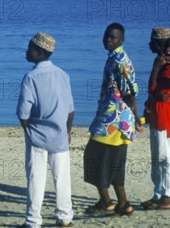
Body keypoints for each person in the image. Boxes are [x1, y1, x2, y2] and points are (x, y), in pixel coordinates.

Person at [16, 32, 75, 228]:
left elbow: (23, 113)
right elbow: (70, 109)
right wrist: (67, 131)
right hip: (60, 136)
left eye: (30, 48)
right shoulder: (63, 75)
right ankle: (65, 217)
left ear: (39, 52)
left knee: (36, 180)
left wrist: (28, 131)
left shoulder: (31, 77)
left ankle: (33, 221)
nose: (26, 52)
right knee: (62, 179)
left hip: (38, 137)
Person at [84, 23, 140, 217]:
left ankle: (108, 201)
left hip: (113, 121)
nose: (108, 40)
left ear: (121, 40)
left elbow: (130, 93)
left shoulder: (119, 60)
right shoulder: (115, 58)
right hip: (115, 119)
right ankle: (121, 203)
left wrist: (133, 117)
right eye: (107, 36)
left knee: (93, 156)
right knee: (115, 162)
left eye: (113, 37)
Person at [142, 36, 170, 210]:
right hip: (162, 119)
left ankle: (166, 197)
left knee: (166, 159)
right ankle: (168, 195)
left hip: (166, 121)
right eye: (167, 47)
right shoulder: (168, 67)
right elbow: (155, 92)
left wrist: (156, 67)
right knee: (168, 158)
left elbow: (155, 89)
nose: (168, 50)